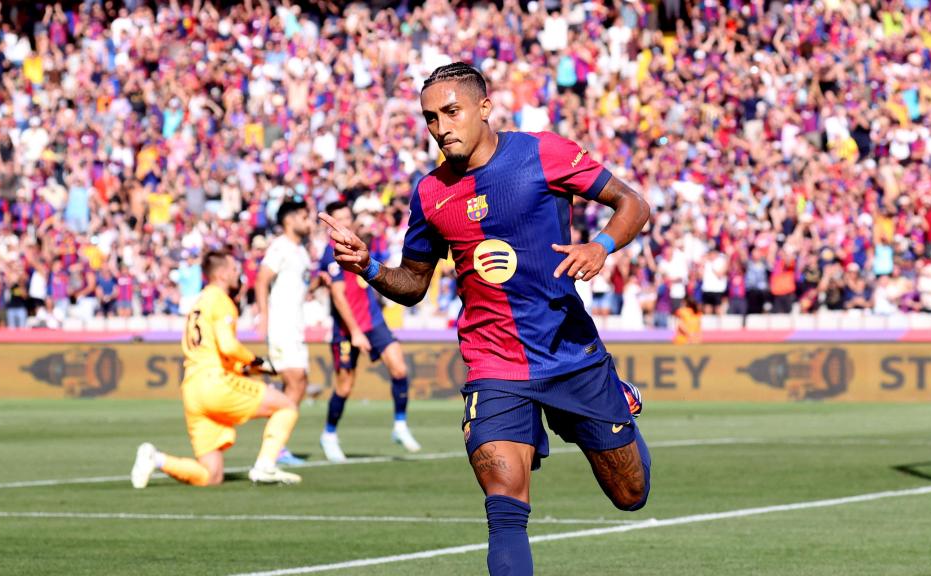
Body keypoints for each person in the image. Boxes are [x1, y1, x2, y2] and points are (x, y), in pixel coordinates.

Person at [320, 63, 650, 576]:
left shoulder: (544, 153)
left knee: (631, 495)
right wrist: (368, 266)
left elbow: (632, 203)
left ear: (484, 108)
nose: (440, 126)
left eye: (451, 112)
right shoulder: (430, 192)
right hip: (493, 364)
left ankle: (616, 395)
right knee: (504, 508)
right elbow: (413, 282)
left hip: (569, 353)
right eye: (430, 117)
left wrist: (601, 245)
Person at [131, 249, 301, 488]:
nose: (237, 273)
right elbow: (229, 347)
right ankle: (265, 466)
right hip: (214, 382)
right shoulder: (221, 300)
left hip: (192, 390)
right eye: (233, 269)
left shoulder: (199, 302)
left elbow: (218, 352)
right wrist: (258, 362)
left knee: (211, 476)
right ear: (221, 274)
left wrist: (250, 369)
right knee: (286, 406)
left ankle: (156, 458)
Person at [317, 201, 421, 462]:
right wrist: (354, 332)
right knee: (344, 386)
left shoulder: (359, 242)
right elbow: (339, 296)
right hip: (347, 329)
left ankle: (400, 425)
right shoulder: (330, 254)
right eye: (338, 219)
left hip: (373, 321)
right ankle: (329, 434)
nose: (344, 224)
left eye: (346, 218)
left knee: (399, 368)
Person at [255, 199, 314, 466]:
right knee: (295, 378)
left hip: (295, 325)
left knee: (298, 382)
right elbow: (261, 279)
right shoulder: (280, 246)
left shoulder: (301, 251)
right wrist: (263, 317)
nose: (308, 221)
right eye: (303, 216)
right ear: (289, 220)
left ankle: (277, 440)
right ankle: (275, 444)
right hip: (281, 324)